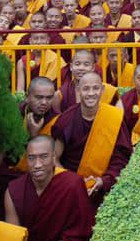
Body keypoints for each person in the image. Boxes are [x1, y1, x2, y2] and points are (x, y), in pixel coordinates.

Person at [4, 136, 95, 241]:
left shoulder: (72, 184)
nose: (37, 164)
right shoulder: (14, 191)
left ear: (53, 157)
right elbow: (14, 238)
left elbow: (77, 236)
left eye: (43, 157)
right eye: (32, 158)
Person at [49, 71, 131, 201]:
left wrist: (102, 181)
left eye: (96, 88)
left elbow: (121, 158)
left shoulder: (113, 118)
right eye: (86, 89)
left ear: (102, 90)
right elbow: (54, 158)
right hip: (70, 187)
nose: (91, 93)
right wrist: (74, 183)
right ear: (78, 90)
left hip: (105, 186)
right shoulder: (66, 120)